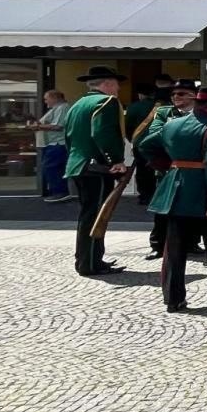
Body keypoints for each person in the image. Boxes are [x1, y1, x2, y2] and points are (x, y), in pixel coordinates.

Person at [143, 84, 207, 311]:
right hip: (203, 191)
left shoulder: (171, 124)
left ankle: (173, 297)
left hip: (175, 189)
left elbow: (145, 144)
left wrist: (168, 165)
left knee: (174, 248)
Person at [64, 65, 130, 276]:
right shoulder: (107, 102)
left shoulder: (78, 104)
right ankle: (90, 263)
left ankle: (89, 259)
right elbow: (103, 133)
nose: (117, 89)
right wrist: (116, 161)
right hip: (96, 167)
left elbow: (69, 136)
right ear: (107, 83)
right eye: (116, 85)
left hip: (78, 164)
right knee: (96, 216)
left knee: (88, 215)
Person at [135, 78, 199, 260]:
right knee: (164, 208)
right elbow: (154, 135)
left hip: (194, 168)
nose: (175, 97)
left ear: (194, 96)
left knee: (195, 206)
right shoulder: (164, 112)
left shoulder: (201, 112)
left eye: (181, 94)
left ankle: (192, 242)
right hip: (169, 167)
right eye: (173, 94)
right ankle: (158, 244)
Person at [123, 81, 161, 208]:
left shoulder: (133, 107)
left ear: (140, 94)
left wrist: (133, 139)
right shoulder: (163, 107)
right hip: (160, 144)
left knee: (142, 171)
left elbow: (127, 127)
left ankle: (145, 196)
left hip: (140, 144)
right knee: (160, 169)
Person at [30, 89, 71, 203]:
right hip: (52, 143)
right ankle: (58, 191)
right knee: (52, 167)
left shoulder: (62, 108)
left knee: (52, 167)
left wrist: (39, 127)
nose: (45, 101)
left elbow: (58, 126)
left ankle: (60, 192)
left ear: (54, 98)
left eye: (46, 98)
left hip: (57, 143)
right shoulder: (56, 109)